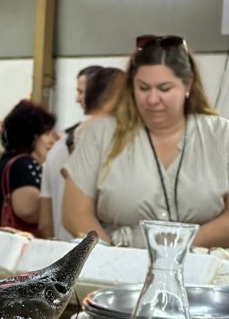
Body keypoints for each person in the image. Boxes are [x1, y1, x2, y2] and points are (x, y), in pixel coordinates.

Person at [62, 35, 229, 248]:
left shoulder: (221, 135)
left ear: (187, 84)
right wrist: (111, 258)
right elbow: (74, 213)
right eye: (143, 88)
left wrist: (176, 249)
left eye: (164, 88)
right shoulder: (101, 135)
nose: (152, 99)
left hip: (203, 271)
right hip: (119, 266)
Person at [39, 67, 124, 239]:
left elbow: (45, 225)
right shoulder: (114, 144)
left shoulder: (56, 148)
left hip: (64, 257)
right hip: (104, 257)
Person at [0, 99, 57, 235]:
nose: (52, 140)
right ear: (32, 136)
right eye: (46, 133)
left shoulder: (2, 164)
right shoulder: (25, 165)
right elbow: (29, 211)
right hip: (13, 250)